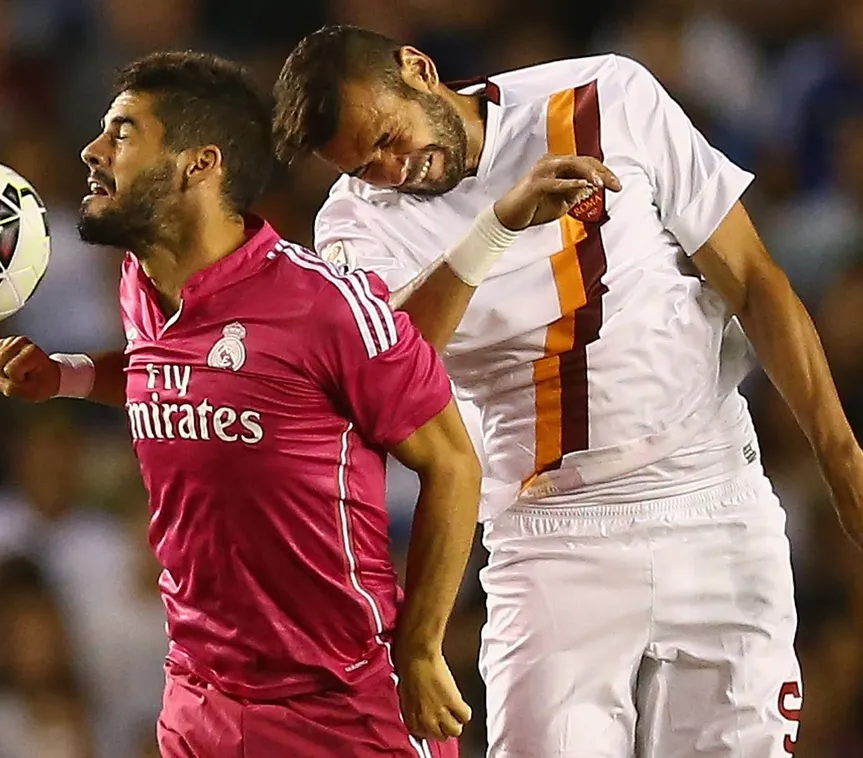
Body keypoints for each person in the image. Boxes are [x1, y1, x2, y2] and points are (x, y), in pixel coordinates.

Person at [272, 24, 863, 758]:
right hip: (550, 538)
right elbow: (388, 370)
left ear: (418, 69)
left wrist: (841, 456)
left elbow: (750, 276)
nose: (395, 169)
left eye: (388, 138)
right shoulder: (352, 222)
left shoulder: (605, 95)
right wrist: (496, 225)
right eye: (365, 165)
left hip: (713, 499)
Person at [0, 51, 481, 757]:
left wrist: (424, 650)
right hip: (198, 701)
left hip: (341, 707)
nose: (93, 150)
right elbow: (173, 373)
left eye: (123, 132)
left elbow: (453, 465)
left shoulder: (323, 305)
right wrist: (62, 377)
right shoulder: (138, 282)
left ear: (198, 163)